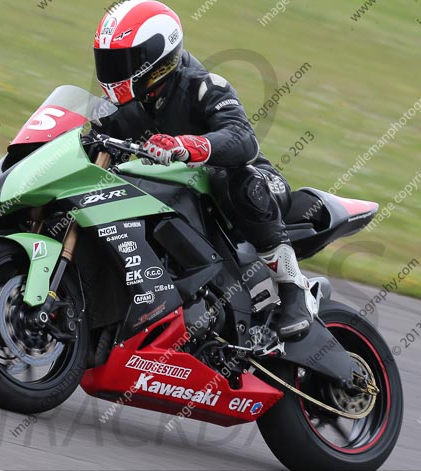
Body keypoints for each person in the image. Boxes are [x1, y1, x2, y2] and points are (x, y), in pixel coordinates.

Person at [91, 0, 313, 339]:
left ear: (157, 58)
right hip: (184, 202)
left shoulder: (204, 85)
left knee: (229, 177)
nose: (113, 71)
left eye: (123, 62)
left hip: (260, 184)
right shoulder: (123, 107)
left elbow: (243, 140)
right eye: (107, 61)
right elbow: (93, 144)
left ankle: (293, 287)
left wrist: (187, 146)